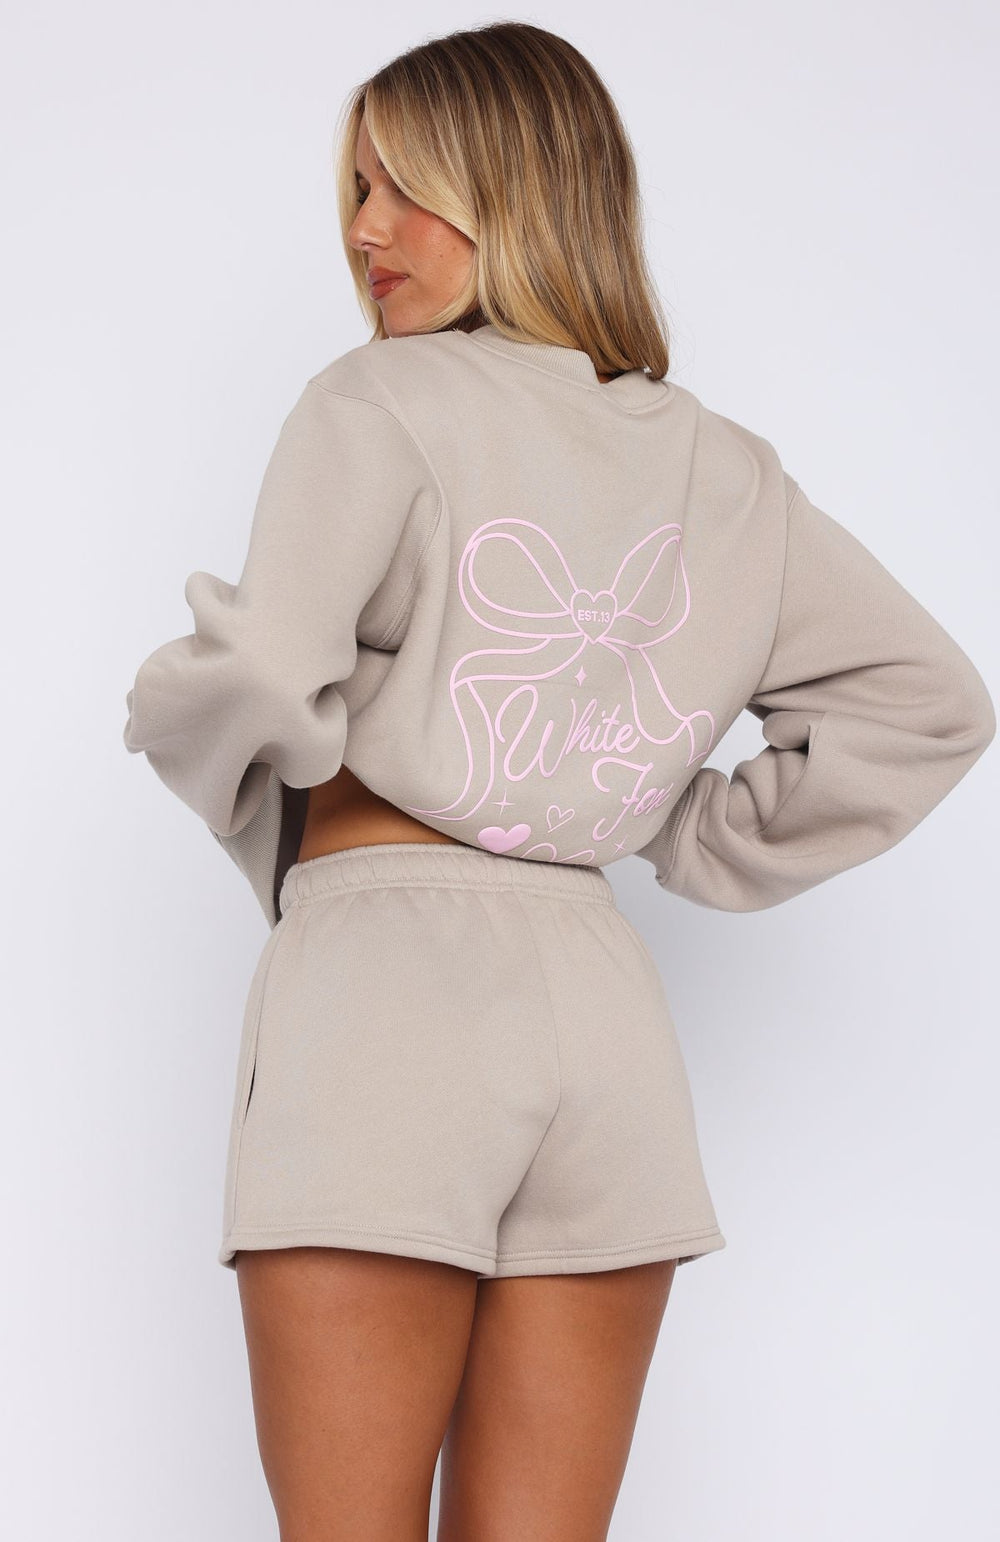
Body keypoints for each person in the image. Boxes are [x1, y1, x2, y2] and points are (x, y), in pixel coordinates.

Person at [121, 20, 996, 1542]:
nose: (365, 229)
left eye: (408, 186)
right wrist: (664, 814)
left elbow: (260, 678)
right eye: (357, 188)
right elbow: (932, 702)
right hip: (602, 1006)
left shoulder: (378, 402)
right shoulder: (723, 466)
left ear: (516, 186)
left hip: (387, 991)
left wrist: (169, 714)